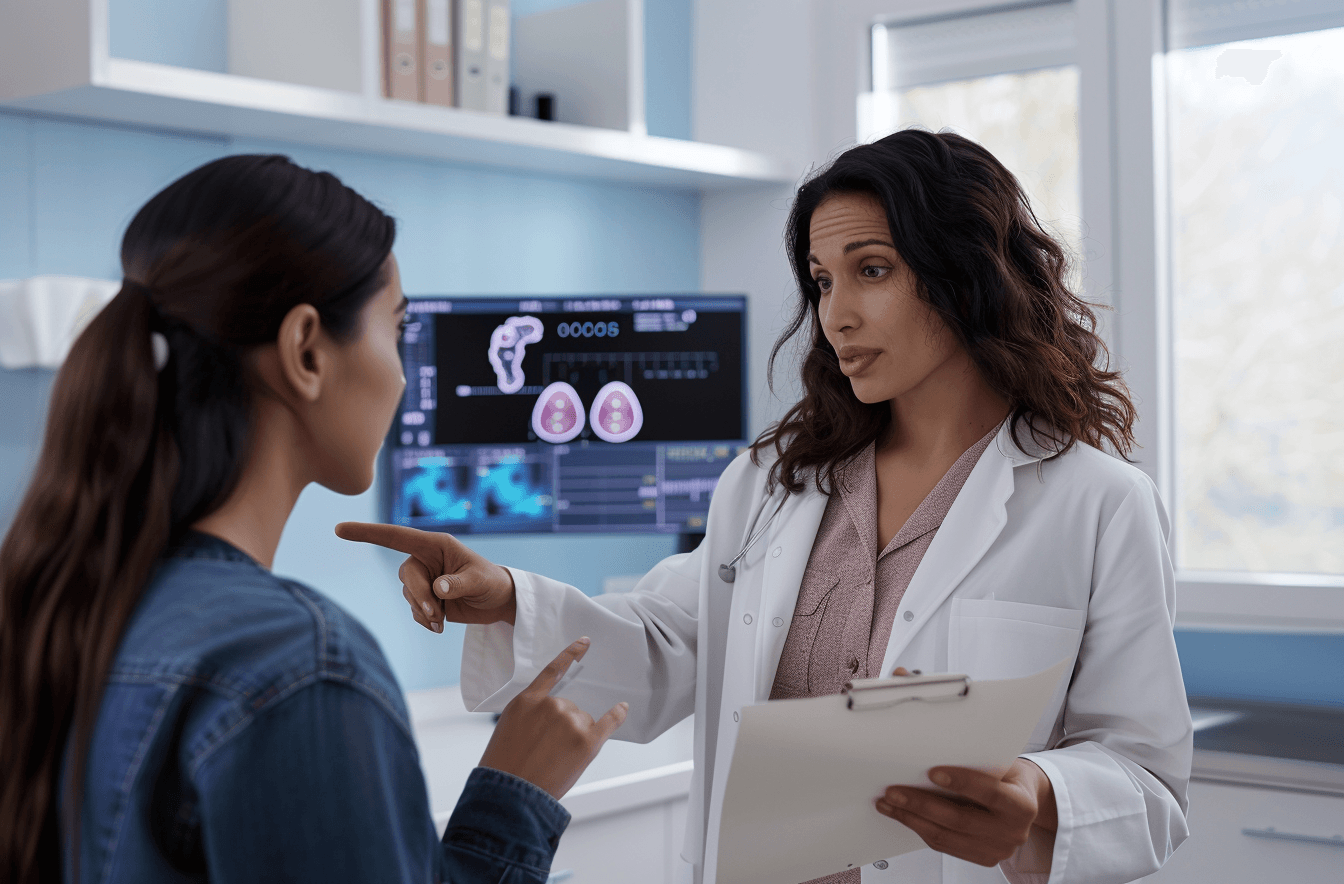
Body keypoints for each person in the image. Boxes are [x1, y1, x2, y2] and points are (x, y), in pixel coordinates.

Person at [342, 130, 1194, 884]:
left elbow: (1149, 781)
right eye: (822, 281)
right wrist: (509, 599)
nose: (837, 315)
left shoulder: (1098, 505)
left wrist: (1041, 796)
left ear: (967, 275)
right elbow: (671, 643)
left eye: (872, 271)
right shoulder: (775, 483)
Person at [0, 154, 628, 884]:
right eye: (397, 329)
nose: (403, 376)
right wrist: (514, 796)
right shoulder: (304, 666)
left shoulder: (64, 605)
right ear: (306, 351)